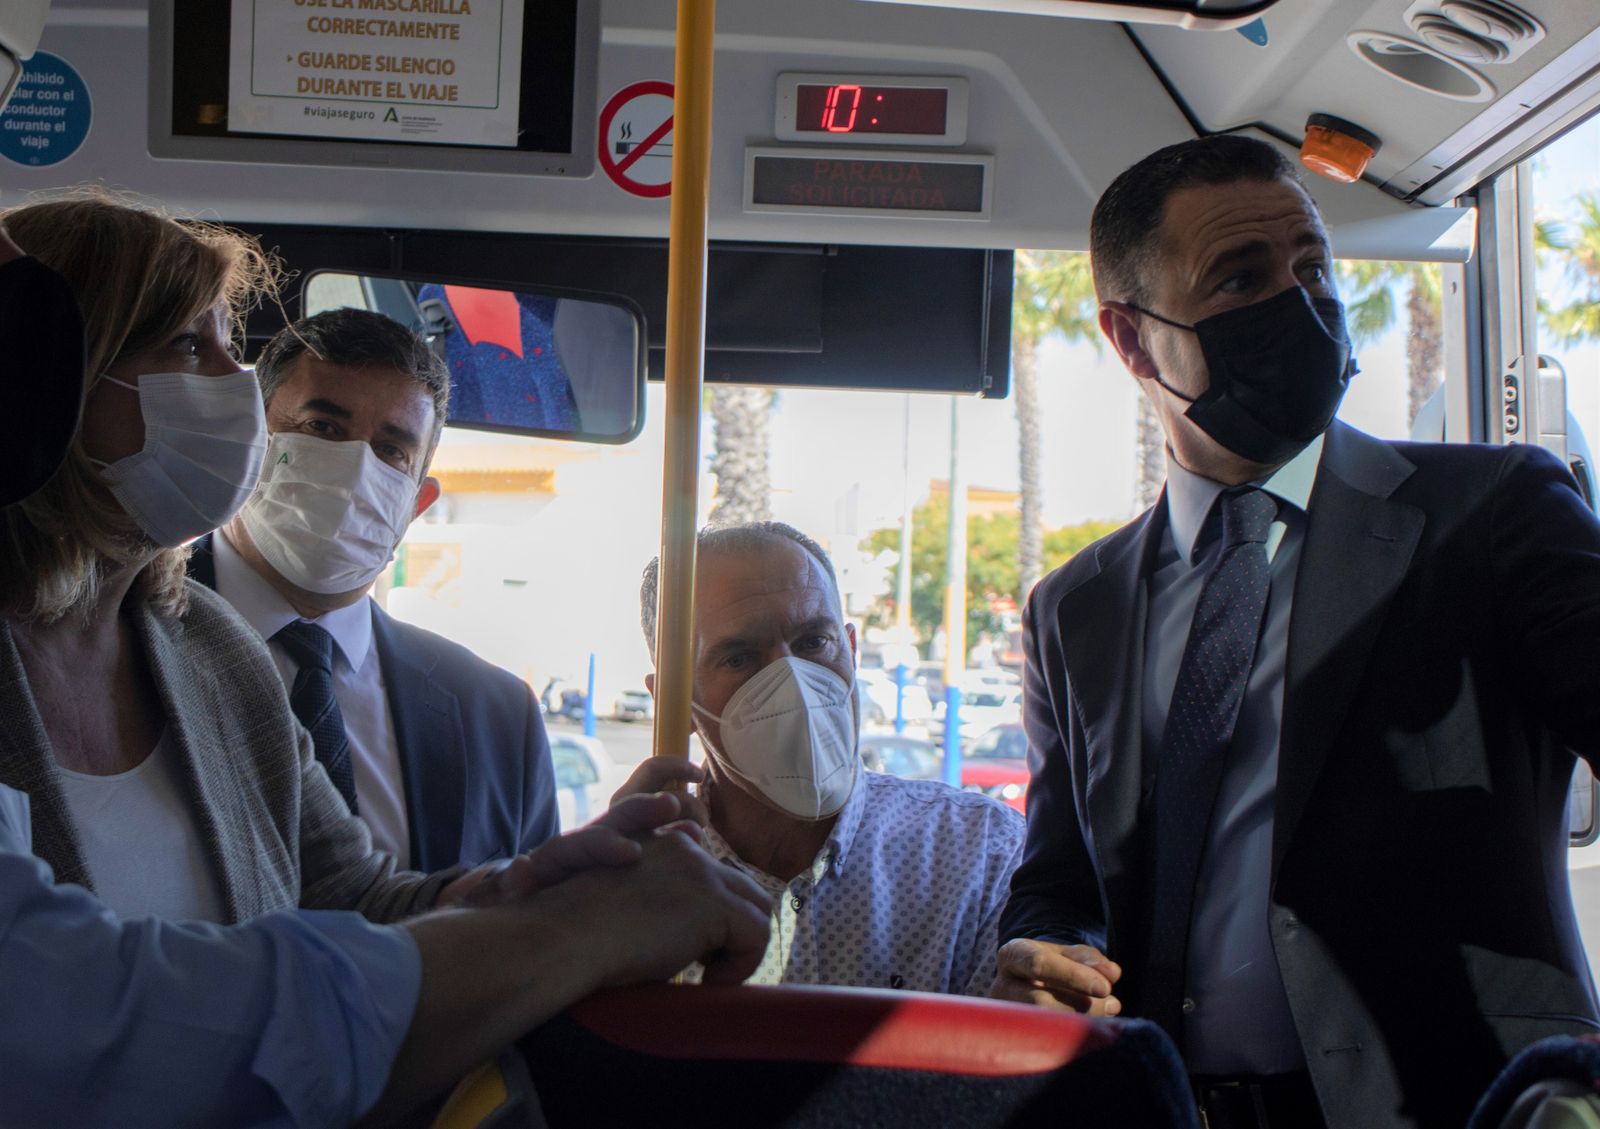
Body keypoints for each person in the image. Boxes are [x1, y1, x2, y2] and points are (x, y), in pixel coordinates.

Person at [994, 134, 1600, 1129]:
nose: (1304, 302)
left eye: (1312, 266)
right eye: (1242, 278)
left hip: (1465, 1101)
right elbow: (1058, 880)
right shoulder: (1075, 607)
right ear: (1134, 340)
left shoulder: (1492, 512)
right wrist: (1039, 951)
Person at [0, 193, 500, 922]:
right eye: (187, 344)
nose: (235, 383)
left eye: (230, 341)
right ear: (44, 376)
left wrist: (546, 888)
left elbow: (355, 901)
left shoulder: (215, 647)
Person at [188, 308, 558, 872]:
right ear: (247, 442)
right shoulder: (109, 634)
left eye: (391, 451)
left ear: (416, 504)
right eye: (322, 428)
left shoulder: (499, 718)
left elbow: (532, 933)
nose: (354, 469)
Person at [623, 521, 1024, 995]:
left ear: (851, 651)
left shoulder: (979, 853)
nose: (794, 680)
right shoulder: (647, 878)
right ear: (672, 701)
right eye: (739, 658)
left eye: (814, 642)